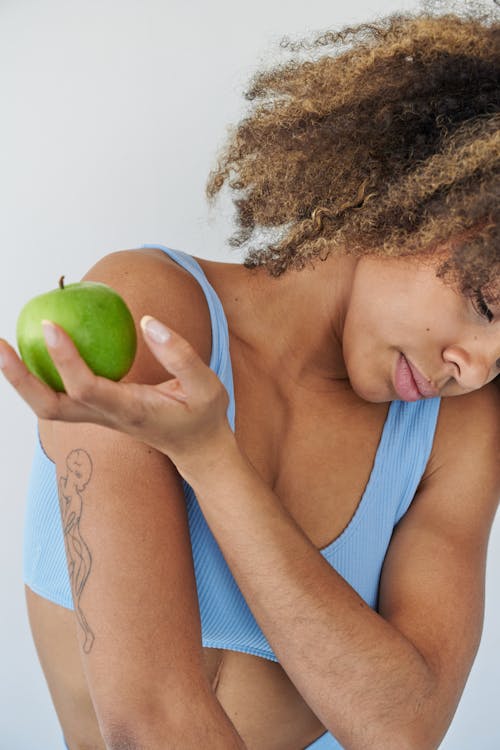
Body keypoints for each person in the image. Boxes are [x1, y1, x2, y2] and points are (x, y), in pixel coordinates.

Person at [1, 2, 499, 749]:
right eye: (485, 302)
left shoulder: (458, 426)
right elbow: (150, 723)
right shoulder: (153, 316)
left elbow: (401, 731)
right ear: (413, 198)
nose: (478, 365)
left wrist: (211, 460)